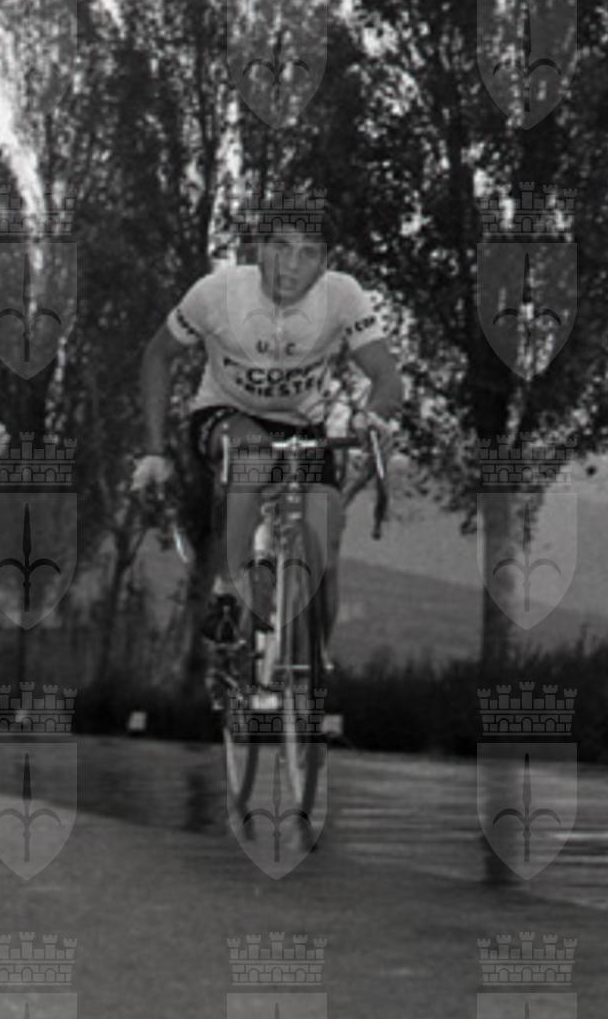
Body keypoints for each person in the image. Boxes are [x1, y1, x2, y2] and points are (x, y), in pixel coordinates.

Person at [130, 198, 403, 707]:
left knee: (326, 539)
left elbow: (387, 375)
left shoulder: (343, 296)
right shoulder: (216, 294)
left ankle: (307, 670)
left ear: (325, 263)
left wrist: (373, 416)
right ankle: (228, 593)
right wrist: (153, 449)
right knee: (253, 452)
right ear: (258, 248)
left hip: (301, 426)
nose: (291, 265)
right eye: (280, 247)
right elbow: (157, 355)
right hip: (225, 415)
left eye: (308, 253)